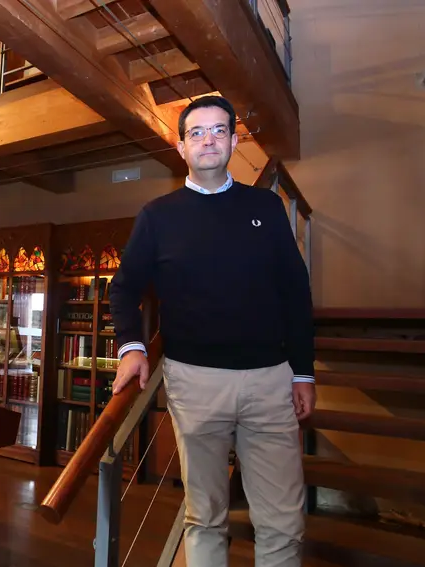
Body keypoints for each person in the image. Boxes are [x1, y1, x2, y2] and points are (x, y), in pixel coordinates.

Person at [109, 95, 314, 567]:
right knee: (204, 517)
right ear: (182, 147)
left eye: (219, 130)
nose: (208, 140)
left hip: (270, 382)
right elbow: (124, 290)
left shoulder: (266, 206)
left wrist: (303, 373)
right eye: (196, 132)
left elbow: (295, 294)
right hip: (193, 383)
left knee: (283, 521)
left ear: (233, 141)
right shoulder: (157, 216)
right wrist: (132, 348)